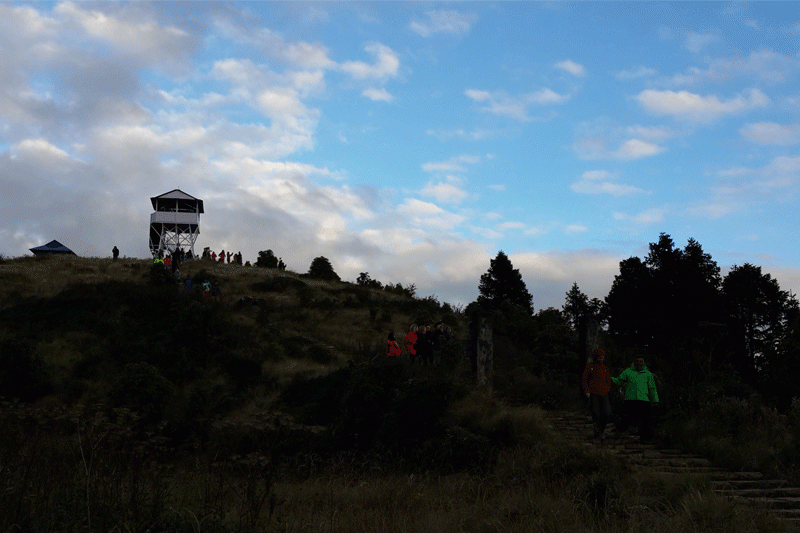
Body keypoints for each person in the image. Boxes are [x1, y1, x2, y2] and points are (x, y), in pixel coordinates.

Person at [612, 356, 659, 443]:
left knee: (646, 420)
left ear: (643, 363)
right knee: (627, 418)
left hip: (644, 399)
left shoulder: (647, 374)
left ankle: (645, 438)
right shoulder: (628, 372)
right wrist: (608, 379)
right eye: (637, 361)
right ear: (634, 362)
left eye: (641, 362)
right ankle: (619, 432)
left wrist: (655, 399)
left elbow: (652, 388)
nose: (639, 363)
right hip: (630, 399)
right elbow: (619, 380)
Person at [581, 348, 613, 440]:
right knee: (595, 413)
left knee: (607, 413)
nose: (601, 359)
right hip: (593, 393)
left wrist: (607, 390)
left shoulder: (605, 368)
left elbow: (608, 381)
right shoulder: (589, 367)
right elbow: (584, 380)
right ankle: (597, 434)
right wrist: (587, 391)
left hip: (604, 394)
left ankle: (600, 430)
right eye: (599, 357)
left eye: (602, 357)